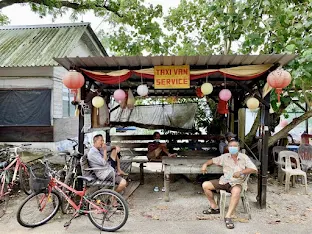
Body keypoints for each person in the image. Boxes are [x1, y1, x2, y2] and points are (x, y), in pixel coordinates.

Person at [201, 139, 257, 229]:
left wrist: (242, 172)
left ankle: (228, 216)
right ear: (227, 148)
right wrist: (205, 164)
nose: (232, 148)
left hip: (237, 182)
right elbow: (212, 160)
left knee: (236, 191)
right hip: (224, 181)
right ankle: (214, 207)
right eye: (230, 146)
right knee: (205, 185)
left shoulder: (244, 157)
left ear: (238, 148)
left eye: (234, 146)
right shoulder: (224, 157)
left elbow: (254, 169)